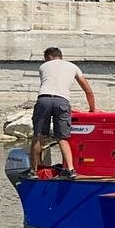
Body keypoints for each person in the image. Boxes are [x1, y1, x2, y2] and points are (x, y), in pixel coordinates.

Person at [27, 47, 96, 180]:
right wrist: (92, 110)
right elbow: (88, 90)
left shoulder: (44, 66)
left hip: (44, 99)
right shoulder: (73, 67)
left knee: (39, 136)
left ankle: (33, 171)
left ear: (49, 57)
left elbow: (48, 84)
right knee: (62, 138)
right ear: (60, 56)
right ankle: (70, 170)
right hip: (62, 101)